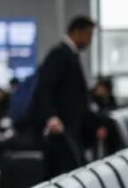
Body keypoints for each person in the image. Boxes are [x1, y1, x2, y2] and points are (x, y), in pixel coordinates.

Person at [31, 15, 97, 178]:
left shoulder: (70, 55)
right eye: (89, 34)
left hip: (71, 125)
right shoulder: (59, 54)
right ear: (77, 32)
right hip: (62, 127)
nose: (90, 40)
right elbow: (44, 88)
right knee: (64, 172)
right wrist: (52, 117)